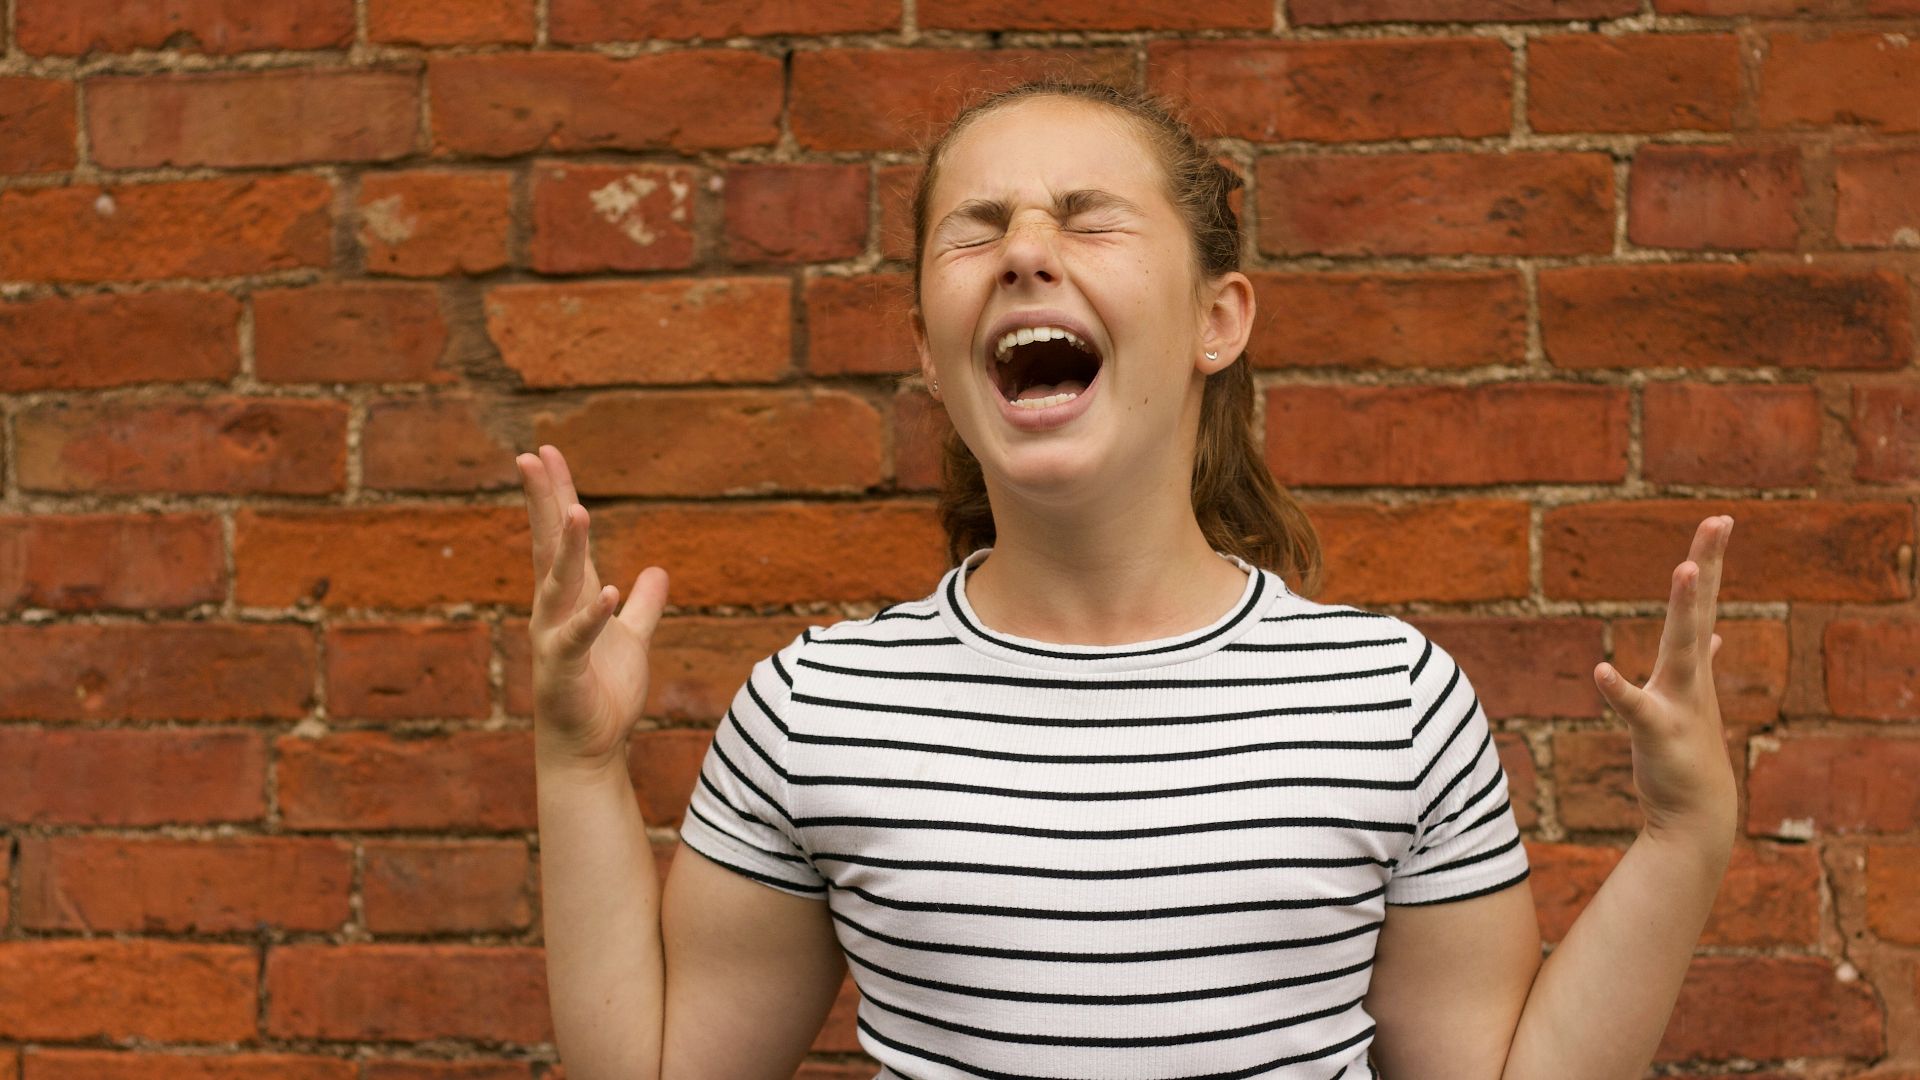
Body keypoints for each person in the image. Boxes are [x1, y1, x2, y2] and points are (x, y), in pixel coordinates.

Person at [518, 77, 1739, 1080]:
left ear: (1219, 318)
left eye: (1089, 218)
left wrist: (1684, 835)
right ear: (931, 355)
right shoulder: (814, 709)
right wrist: (576, 764)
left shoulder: (1390, 700)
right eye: (977, 227)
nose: (1025, 254)